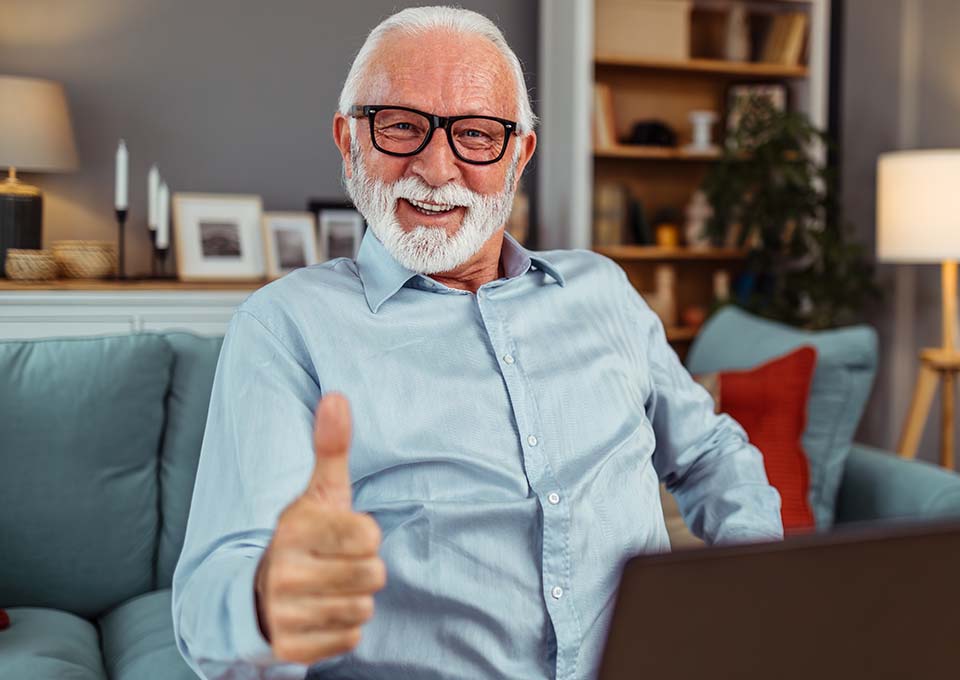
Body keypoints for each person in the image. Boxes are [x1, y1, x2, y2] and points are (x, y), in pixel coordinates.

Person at [172, 6, 783, 679]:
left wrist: (760, 594)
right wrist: (266, 604)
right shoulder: (286, 328)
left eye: (476, 134)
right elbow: (213, 600)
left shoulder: (602, 290)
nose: (437, 169)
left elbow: (709, 456)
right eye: (401, 126)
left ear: (519, 153)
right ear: (349, 140)